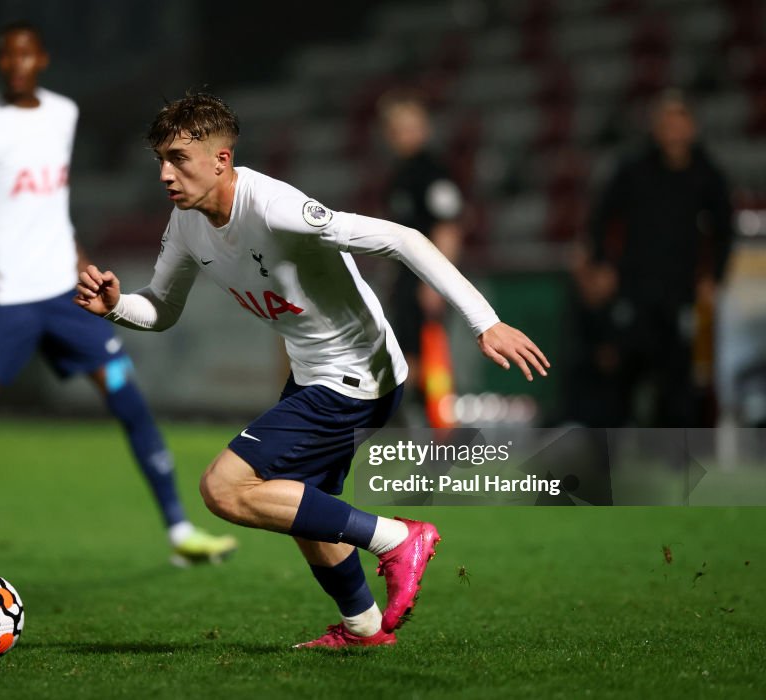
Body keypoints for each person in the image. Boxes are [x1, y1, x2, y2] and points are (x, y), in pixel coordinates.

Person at [75, 92, 548, 647]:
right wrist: (117, 306)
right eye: (161, 159)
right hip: (315, 373)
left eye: (178, 158)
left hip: (357, 378)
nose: (165, 174)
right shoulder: (186, 224)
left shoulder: (275, 207)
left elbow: (404, 239)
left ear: (221, 161)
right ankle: (364, 628)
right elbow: (161, 308)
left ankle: (397, 539)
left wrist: (483, 321)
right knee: (303, 510)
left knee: (223, 489)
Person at [0, 23, 237, 574]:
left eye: (27, 53)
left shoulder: (62, 114)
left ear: (42, 59)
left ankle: (180, 531)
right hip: (4, 297)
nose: (18, 63)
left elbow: (51, 204)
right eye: (8, 55)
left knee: (127, 399)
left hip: (63, 292)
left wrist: (75, 256)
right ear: (0, 62)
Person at [573, 89, 735, 427]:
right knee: (623, 369)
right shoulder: (633, 169)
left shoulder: (707, 174)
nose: (673, 130)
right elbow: (602, 217)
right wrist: (601, 263)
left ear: (692, 127)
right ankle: (610, 453)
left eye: (680, 121)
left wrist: (714, 278)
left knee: (678, 376)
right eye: (666, 122)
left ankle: (676, 460)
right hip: (635, 286)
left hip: (680, 290)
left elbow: (724, 230)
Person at [377, 90, 465, 427]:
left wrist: (437, 282)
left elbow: (449, 226)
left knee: (430, 355)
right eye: (398, 129)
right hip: (404, 277)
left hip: (425, 277)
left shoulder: (433, 172)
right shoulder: (399, 173)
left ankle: (443, 429)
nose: (405, 135)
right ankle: (413, 429)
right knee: (407, 353)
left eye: (411, 127)